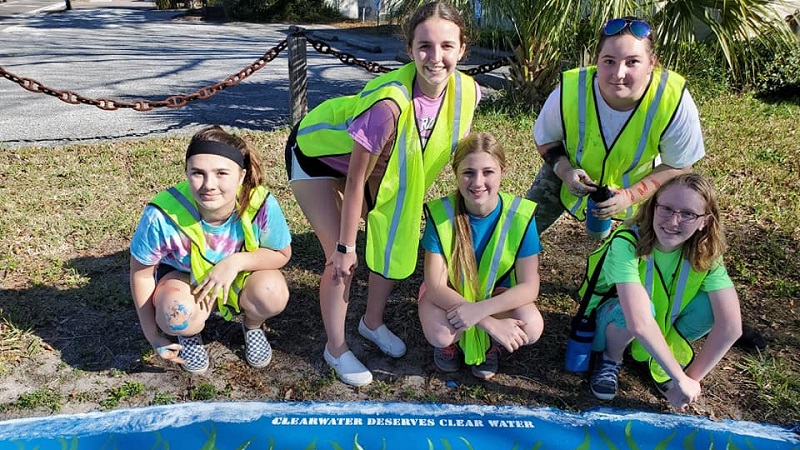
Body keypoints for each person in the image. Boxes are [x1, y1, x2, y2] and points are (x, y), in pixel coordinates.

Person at [285, 1, 480, 387]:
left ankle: (371, 322)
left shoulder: (467, 92)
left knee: (391, 238)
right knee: (339, 259)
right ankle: (336, 349)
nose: (435, 57)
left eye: (446, 46)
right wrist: (345, 246)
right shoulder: (387, 106)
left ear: (462, 49)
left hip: (386, 165)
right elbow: (355, 180)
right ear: (409, 51)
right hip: (318, 159)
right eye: (424, 46)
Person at [130, 125, 292, 375]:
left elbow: (282, 254)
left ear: (241, 175)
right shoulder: (161, 214)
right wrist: (153, 336)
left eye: (221, 173)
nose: (209, 184)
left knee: (272, 293)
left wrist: (235, 262)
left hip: (240, 277)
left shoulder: (260, 203)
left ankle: (252, 327)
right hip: (186, 279)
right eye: (198, 173)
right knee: (176, 313)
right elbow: (141, 274)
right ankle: (189, 335)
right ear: (186, 172)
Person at [576, 173, 742, 411]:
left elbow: (731, 327)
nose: (673, 222)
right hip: (609, 321)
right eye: (666, 209)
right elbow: (639, 321)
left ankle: (657, 358)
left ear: (705, 221)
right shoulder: (626, 241)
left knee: (712, 309)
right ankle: (611, 358)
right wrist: (679, 377)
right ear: (653, 208)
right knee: (637, 310)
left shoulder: (706, 250)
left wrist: (690, 380)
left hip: (656, 324)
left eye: (688, 214)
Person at [528, 17, 704, 240]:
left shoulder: (673, 98)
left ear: (651, 63)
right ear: (597, 60)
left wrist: (630, 195)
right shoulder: (570, 89)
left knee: (648, 249)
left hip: (645, 182)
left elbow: (680, 164)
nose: (618, 73)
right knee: (522, 231)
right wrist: (565, 172)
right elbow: (546, 140)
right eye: (609, 61)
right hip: (573, 168)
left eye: (632, 62)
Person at [418, 132, 544, 380]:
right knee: (440, 333)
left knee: (532, 326)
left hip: (495, 294)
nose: (477, 182)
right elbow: (434, 287)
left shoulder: (520, 215)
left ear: (503, 171)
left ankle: (490, 345)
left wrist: (481, 309)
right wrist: (488, 321)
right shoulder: (441, 214)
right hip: (450, 294)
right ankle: (452, 344)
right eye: (468, 173)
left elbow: (530, 287)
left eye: (488, 172)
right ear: (455, 174)